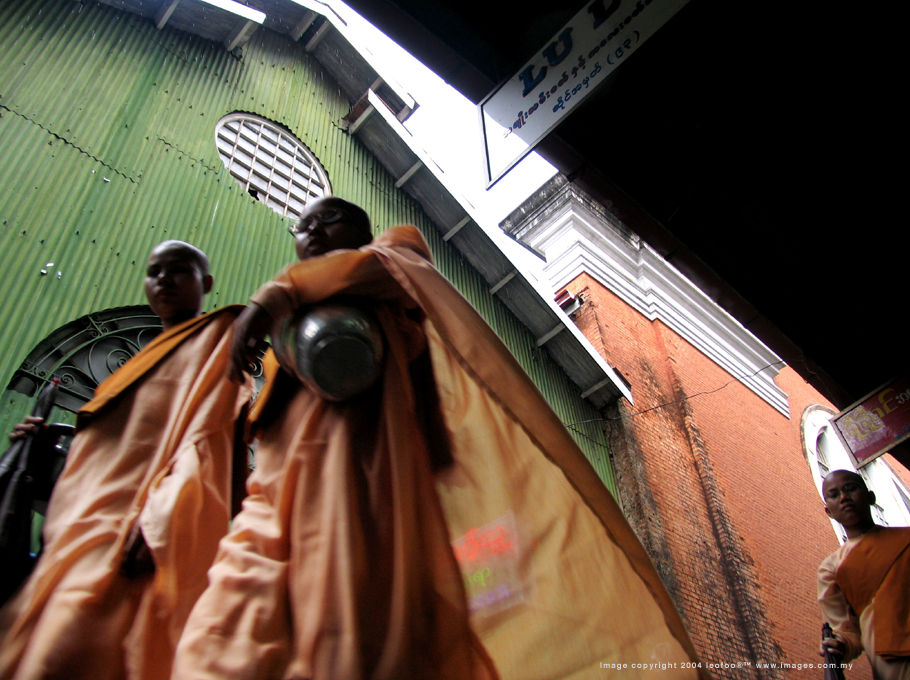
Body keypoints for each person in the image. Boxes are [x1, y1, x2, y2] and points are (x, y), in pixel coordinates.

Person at [173, 198, 705, 679]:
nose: (310, 230)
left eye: (327, 220)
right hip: (275, 504)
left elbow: (372, 271)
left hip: (355, 491)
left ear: (361, 232)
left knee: (348, 639)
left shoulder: (394, 261)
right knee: (217, 634)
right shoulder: (298, 318)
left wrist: (273, 299)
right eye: (302, 225)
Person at [0, 240, 253, 680]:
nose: (164, 280)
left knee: (74, 647)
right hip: (79, 524)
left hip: (138, 526)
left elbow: (209, 441)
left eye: (179, 270)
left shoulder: (217, 344)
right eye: (154, 271)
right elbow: (112, 446)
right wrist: (41, 442)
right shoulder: (139, 364)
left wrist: (164, 516)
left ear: (206, 283)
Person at [817, 469, 910, 679]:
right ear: (828, 511)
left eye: (851, 489)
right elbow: (846, 631)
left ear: (870, 497)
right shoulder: (831, 569)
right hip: (893, 666)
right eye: (834, 495)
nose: (844, 498)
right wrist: (841, 645)